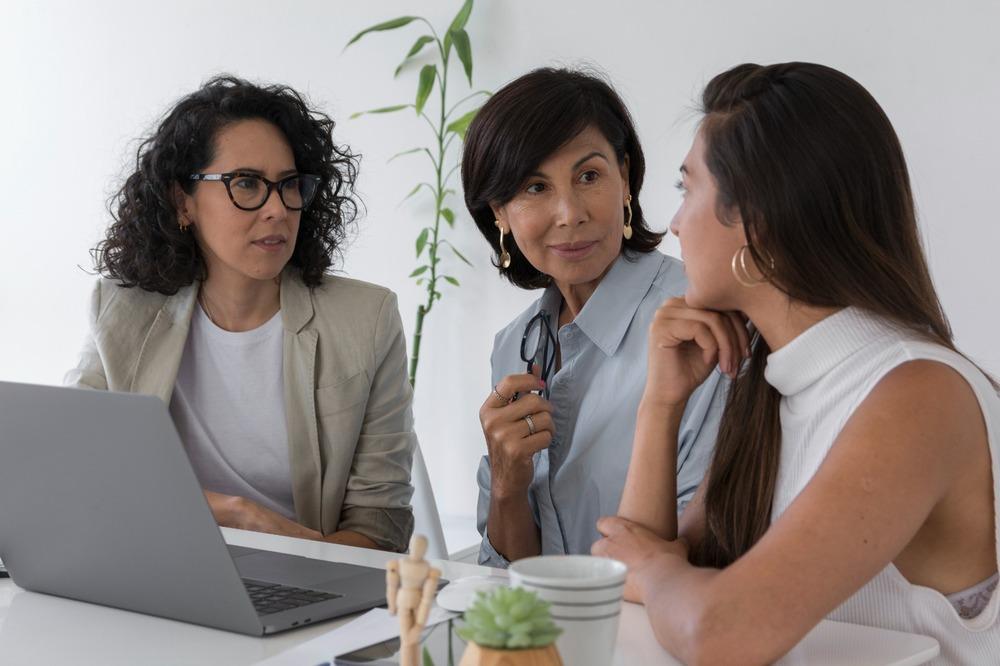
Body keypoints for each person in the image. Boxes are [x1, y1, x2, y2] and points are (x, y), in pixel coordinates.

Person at [592, 62, 1000, 664]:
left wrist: (655, 569)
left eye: (687, 189)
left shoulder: (917, 393)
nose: (674, 223)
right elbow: (629, 581)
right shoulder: (780, 381)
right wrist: (662, 402)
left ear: (756, 224)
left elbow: (717, 631)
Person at [66, 75, 416, 553]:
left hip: (305, 578)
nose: (277, 209)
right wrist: (234, 513)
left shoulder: (366, 319)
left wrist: (285, 547)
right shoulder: (122, 309)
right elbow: (73, 471)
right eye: (246, 184)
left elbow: (382, 530)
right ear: (182, 200)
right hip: (154, 564)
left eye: (289, 185)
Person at [461, 68, 728, 567]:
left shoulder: (699, 322)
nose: (568, 213)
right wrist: (505, 489)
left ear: (624, 177)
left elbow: (702, 555)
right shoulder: (512, 346)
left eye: (588, 176)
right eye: (534, 187)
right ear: (499, 212)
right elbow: (514, 582)